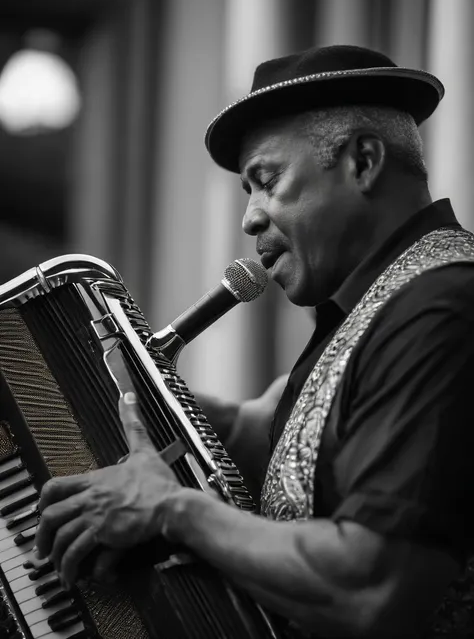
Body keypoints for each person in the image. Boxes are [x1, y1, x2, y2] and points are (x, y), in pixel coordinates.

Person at [34, 45, 474, 638]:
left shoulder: (442, 308)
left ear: (363, 161)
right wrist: (117, 387)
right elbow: (255, 432)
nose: (250, 218)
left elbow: (374, 586)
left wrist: (172, 508)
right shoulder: (373, 307)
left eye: (266, 181)